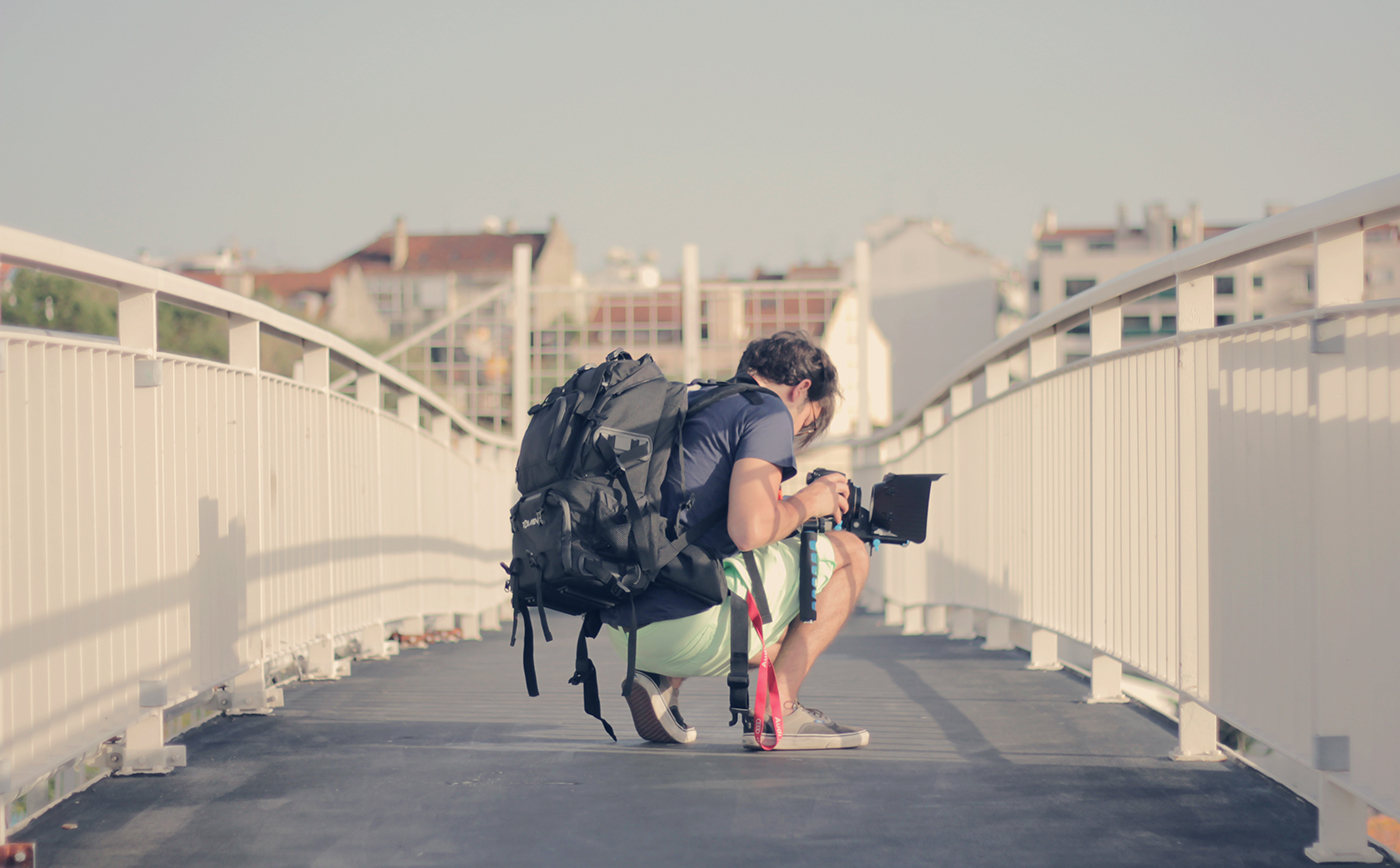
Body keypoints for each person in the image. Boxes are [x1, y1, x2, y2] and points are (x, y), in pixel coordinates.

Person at [601, 331, 871, 750]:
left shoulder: (698, 401)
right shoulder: (767, 411)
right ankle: (776, 712)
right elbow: (749, 531)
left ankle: (660, 680)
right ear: (801, 390)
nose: (798, 432)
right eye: (808, 422)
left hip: (626, 627)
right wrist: (811, 500)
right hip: (683, 627)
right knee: (851, 552)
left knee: (783, 638)